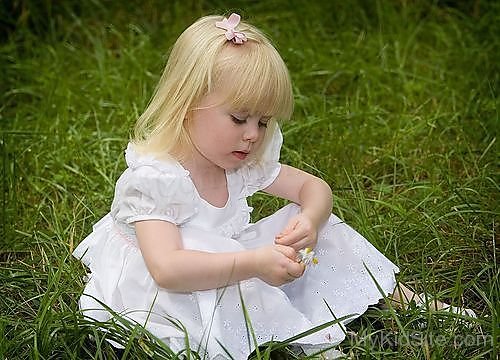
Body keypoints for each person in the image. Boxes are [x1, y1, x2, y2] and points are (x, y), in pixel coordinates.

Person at [73, 13, 475, 359]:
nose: (252, 135)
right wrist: (254, 263)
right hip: (170, 288)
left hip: (225, 259)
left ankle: (399, 297)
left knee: (318, 231)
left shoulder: (239, 160)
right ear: (187, 103)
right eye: (239, 118)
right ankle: (307, 334)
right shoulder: (156, 179)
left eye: (262, 122)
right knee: (239, 275)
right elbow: (167, 269)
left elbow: (313, 189)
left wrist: (311, 222)